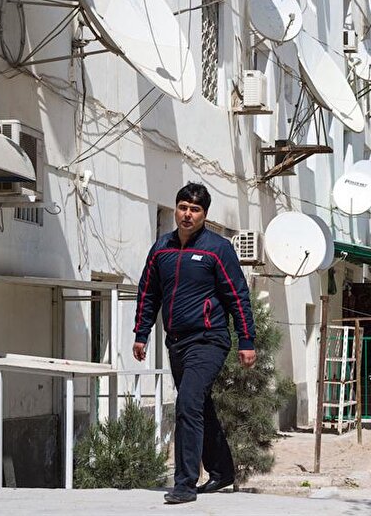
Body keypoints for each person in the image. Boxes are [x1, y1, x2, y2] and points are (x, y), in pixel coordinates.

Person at [132, 183, 256, 505]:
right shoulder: (161, 249)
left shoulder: (217, 249)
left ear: (204, 215)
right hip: (177, 342)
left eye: (195, 209)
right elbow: (148, 293)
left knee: (187, 402)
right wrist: (141, 333)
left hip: (209, 339)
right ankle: (222, 470)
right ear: (176, 208)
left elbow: (237, 296)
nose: (188, 214)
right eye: (183, 207)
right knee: (199, 405)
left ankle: (185, 483)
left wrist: (246, 340)